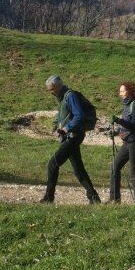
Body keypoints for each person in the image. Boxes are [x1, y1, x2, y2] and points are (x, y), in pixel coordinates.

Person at [39, 75, 101, 205]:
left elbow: (79, 116)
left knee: (53, 164)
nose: (50, 92)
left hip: (74, 136)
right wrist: (57, 126)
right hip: (70, 136)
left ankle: (48, 198)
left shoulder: (69, 96)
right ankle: (94, 198)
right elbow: (64, 116)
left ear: (58, 86)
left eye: (52, 89)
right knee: (78, 169)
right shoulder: (62, 98)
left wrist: (66, 129)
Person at [109, 81, 135, 204]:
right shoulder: (127, 105)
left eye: (122, 91)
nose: (120, 94)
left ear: (130, 91)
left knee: (134, 172)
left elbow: (134, 125)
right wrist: (115, 132)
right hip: (127, 142)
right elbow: (125, 126)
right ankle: (115, 199)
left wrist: (118, 121)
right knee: (115, 166)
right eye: (120, 91)